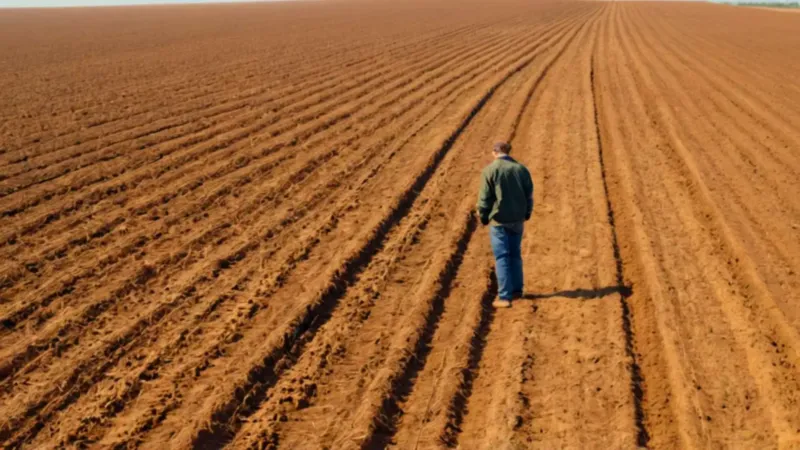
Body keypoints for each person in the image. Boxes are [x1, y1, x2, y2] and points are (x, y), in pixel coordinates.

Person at [476, 142, 534, 308]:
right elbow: (529, 194)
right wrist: (527, 212)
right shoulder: (521, 169)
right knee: (515, 254)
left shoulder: (490, 170)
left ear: (495, 152)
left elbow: (485, 198)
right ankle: (517, 290)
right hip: (517, 219)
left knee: (502, 256)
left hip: (499, 220)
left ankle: (504, 296)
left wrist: (484, 216)